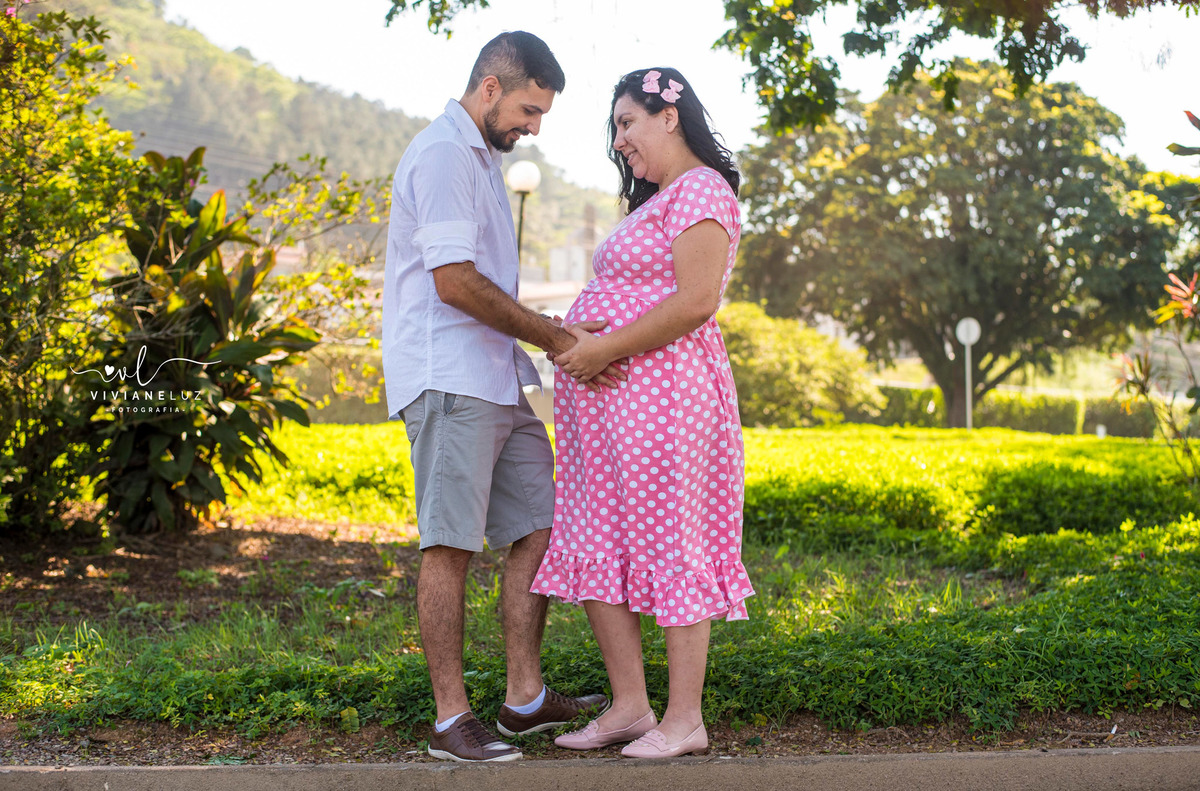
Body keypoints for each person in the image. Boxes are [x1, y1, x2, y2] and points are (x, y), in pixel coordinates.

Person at [382, 31, 622, 763]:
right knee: (450, 545)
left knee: (543, 520)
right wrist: (555, 335)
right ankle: (451, 719)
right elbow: (453, 280)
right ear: (490, 86)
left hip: (494, 377)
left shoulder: (482, 157)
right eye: (527, 108)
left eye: (542, 113)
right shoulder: (445, 153)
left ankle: (523, 698)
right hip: (449, 377)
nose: (534, 126)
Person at [530, 67, 755, 759]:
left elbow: (695, 303)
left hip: (667, 405)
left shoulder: (701, 191)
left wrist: (602, 350)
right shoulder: (657, 200)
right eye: (617, 127)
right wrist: (586, 350)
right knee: (599, 542)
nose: (620, 139)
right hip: (608, 414)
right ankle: (630, 705)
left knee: (675, 544)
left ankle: (684, 718)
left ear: (669, 114)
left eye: (628, 122)